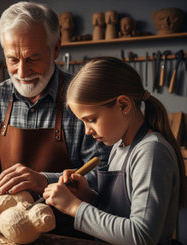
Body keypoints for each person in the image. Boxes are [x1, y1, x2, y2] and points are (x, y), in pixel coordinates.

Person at [0, 1, 110, 237]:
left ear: (55, 49)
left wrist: (44, 181)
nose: (22, 72)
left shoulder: (83, 97)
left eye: (32, 58)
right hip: (7, 234)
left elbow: (104, 178)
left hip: (69, 234)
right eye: (12, 59)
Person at [43, 57, 186, 244]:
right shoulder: (120, 147)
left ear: (123, 105)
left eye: (92, 119)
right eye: (83, 122)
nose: (87, 131)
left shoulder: (151, 152)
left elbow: (141, 236)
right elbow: (118, 215)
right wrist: (88, 197)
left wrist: (75, 208)